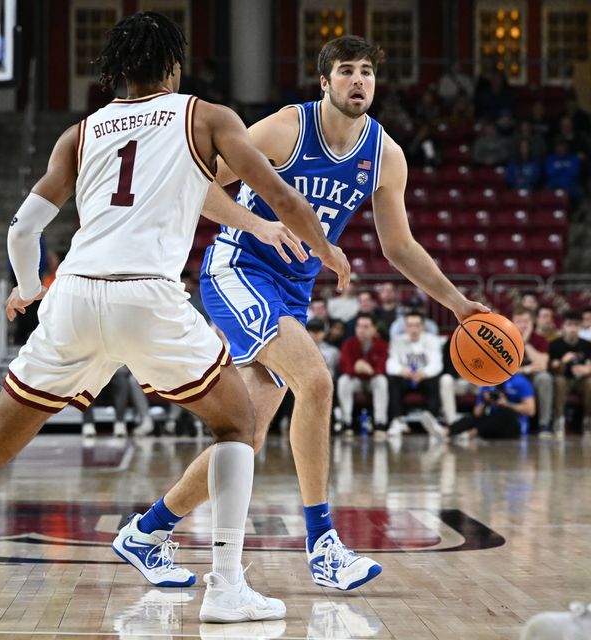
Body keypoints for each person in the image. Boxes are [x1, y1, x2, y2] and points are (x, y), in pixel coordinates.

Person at [0, 12, 350, 624]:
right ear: (174, 67)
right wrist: (325, 247)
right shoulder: (205, 116)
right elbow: (283, 196)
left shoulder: (80, 133)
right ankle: (227, 588)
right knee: (238, 426)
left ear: (116, 73)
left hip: (73, 297)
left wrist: (28, 288)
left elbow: (23, 228)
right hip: (148, 298)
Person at [129, 34, 487, 594]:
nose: (359, 80)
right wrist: (260, 225)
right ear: (325, 82)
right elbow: (195, 188)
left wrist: (459, 304)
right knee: (316, 381)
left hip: (292, 291)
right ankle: (322, 544)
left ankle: (147, 532)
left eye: (367, 71)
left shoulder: (384, 154)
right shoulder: (284, 129)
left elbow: (399, 247)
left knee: (242, 438)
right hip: (237, 268)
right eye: (346, 71)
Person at [420, 373, 535, 441]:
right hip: (490, 426)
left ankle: (469, 434)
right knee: (478, 417)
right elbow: (477, 413)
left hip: (515, 425)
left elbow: (531, 410)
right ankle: (445, 431)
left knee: (504, 413)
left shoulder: (520, 381)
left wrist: (507, 404)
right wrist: (485, 401)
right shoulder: (488, 382)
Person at [387, 311, 445, 435]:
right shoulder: (397, 341)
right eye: (410, 325)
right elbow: (390, 364)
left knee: (435, 380)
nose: (413, 329)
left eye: (417, 325)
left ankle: (432, 419)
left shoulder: (432, 340)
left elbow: (437, 364)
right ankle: (398, 420)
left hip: (424, 378)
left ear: (423, 326)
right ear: (405, 327)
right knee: (392, 380)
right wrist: (402, 371)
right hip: (405, 378)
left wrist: (423, 373)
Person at [336, 313, 389, 439]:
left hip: (373, 380)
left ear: (374, 329)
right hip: (356, 381)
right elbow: (344, 366)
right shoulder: (349, 344)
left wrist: (370, 370)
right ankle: (346, 422)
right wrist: (356, 368)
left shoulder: (382, 345)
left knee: (382, 381)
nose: (362, 330)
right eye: (359, 326)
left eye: (366, 327)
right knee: (343, 380)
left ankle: (380, 423)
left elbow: (383, 368)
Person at [511, 306, 554, 439]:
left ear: (532, 323)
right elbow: (504, 369)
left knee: (545, 378)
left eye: (526, 321)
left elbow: (542, 365)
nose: (523, 325)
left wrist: (525, 343)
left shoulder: (540, 340)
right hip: (515, 377)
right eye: (519, 321)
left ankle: (544, 424)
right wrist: (526, 369)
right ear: (512, 322)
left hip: (534, 377)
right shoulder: (506, 339)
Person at [549, 311, 591, 437]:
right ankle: (559, 420)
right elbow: (552, 368)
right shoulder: (555, 344)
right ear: (563, 327)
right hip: (564, 379)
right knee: (559, 381)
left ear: (580, 327)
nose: (573, 329)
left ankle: (588, 420)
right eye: (569, 325)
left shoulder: (587, 345)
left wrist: (587, 369)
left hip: (581, 380)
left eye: (576, 325)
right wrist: (563, 362)